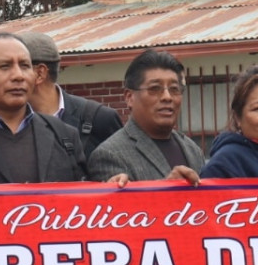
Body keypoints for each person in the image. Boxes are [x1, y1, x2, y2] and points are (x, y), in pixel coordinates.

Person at [0, 33, 126, 189]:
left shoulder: (64, 134)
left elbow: (84, 204)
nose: (18, 75)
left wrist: (109, 188)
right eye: (4, 66)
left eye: (25, 66)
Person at [88, 49, 205, 183]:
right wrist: (168, 189)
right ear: (129, 97)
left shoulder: (193, 149)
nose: (167, 97)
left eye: (174, 89)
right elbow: (119, 204)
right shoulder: (110, 155)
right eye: (155, 89)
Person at [21, 31, 122, 157]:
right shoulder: (9, 123)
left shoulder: (100, 118)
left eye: (20, 66)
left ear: (40, 73)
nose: (10, 74)